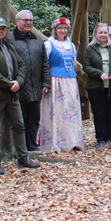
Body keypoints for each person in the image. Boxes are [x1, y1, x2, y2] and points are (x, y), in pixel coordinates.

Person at [0, 15, 40, 174]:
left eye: (3, 28)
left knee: (19, 125)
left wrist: (18, 82)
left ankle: (23, 157)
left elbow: (20, 64)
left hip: (12, 95)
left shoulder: (8, 45)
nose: (1, 31)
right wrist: (8, 84)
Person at [40, 17, 84, 152]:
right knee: (55, 111)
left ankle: (71, 141)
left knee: (70, 111)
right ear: (55, 29)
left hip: (70, 81)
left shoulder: (71, 45)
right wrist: (45, 82)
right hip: (55, 80)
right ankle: (53, 143)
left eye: (65, 28)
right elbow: (44, 64)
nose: (62, 31)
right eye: (60, 28)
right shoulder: (49, 44)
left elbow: (72, 61)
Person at [12, 10, 51, 152]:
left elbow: (45, 63)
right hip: (18, 87)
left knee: (34, 119)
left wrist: (46, 83)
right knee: (19, 119)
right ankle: (19, 147)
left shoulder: (38, 40)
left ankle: (32, 145)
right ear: (17, 21)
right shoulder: (10, 39)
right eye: (25, 20)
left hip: (36, 87)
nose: (28, 23)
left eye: (30, 20)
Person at [83, 22, 111, 149]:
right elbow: (86, 66)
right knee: (99, 113)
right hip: (96, 87)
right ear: (95, 34)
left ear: (108, 34)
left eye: (105, 32)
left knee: (110, 112)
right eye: (100, 32)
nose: (103, 35)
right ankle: (100, 139)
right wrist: (99, 73)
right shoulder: (90, 49)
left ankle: (109, 137)